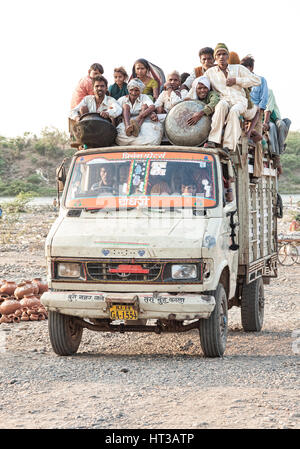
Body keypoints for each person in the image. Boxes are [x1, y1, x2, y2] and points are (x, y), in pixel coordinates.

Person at [203, 43, 261, 152]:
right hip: (224, 100)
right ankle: (213, 140)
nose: (221, 57)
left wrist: (237, 80)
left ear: (228, 56)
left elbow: (257, 80)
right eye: (218, 54)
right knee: (220, 106)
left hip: (239, 101)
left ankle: (228, 146)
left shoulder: (238, 69)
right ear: (215, 57)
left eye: (224, 54)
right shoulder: (210, 73)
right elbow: (200, 85)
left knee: (234, 111)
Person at [240, 55, 269, 178]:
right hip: (242, 112)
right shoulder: (240, 81)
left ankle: (257, 173)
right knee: (240, 138)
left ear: (251, 68)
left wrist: (258, 113)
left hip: (256, 113)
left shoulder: (260, 80)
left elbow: (264, 100)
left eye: (245, 68)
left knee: (257, 140)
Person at [116, 78, 163, 146]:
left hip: (141, 119)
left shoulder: (144, 97)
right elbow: (116, 111)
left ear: (140, 90)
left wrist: (140, 116)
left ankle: (137, 127)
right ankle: (127, 127)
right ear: (128, 89)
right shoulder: (122, 99)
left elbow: (152, 107)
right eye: (131, 90)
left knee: (144, 106)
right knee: (125, 106)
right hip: (127, 120)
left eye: (136, 90)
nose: (134, 93)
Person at [263, 89, 291, 156]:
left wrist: (266, 122)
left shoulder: (268, 92)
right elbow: (266, 111)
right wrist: (265, 123)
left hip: (274, 118)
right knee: (272, 126)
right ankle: (275, 152)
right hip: (266, 120)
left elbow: (269, 109)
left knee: (287, 122)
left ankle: (281, 147)